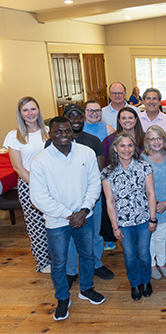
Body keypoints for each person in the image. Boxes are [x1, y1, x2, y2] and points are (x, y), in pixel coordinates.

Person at [30, 117, 105, 321]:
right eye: (58, 132)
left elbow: (94, 184)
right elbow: (38, 197)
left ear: (72, 132)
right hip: (56, 221)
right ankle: (63, 297)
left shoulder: (86, 153)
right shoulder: (40, 161)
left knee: (87, 255)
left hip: (84, 216)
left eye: (67, 131)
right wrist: (68, 214)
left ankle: (86, 288)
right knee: (59, 262)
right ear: (50, 134)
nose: (63, 135)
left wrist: (84, 210)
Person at [46, 104, 114, 285]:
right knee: (68, 238)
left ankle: (95, 264)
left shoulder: (92, 141)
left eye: (79, 116)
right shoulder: (51, 144)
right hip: (64, 200)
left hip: (91, 198)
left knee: (95, 234)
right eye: (71, 116)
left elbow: (99, 172)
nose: (76, 120)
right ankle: (71, 271)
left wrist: (86, 203)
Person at [101, 133, 157, 301]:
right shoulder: (107, 173)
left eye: (130, 145)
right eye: (122, 146)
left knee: (144, 254)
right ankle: (135, 284)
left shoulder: (144, 167)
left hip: (143, 219)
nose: (126, 149)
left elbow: (151, 193)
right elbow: (109, 202)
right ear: (116, 149)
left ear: (135, 148)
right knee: (130, 255)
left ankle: (146, 281)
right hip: (123, 222)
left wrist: (153, 218)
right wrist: (114, 226)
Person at [3, 96, 50, 273]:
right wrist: (38, 185)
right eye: (26, 110)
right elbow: (17, 166)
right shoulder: (14, 137)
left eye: (33, 109)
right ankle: (43, 262)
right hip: (28, 184)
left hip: (51, 184)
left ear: (38, 111)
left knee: (51, 223)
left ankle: (56, 257)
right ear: (20, 114)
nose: (30, 113)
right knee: (35, 224)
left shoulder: (48, 131)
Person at [101, 107, 146, 251]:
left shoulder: (145, 138)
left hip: (142, 191)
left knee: (143, 240)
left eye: (130, 117)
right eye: (124, 118)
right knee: (127, 242)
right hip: (118, 192)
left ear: (136, 120)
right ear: (119, 121)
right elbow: (106, 165)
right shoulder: (109, 140)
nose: (127, 121)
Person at [142, 126, 166, 281]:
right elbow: (140, 184)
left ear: (164, 140)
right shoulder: (142, 159)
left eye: (159, 138)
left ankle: (162, 263)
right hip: (149, 205)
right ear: (147, 142)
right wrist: (154, 203)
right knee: (150, 237)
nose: (156, 142)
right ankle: (152, 265)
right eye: (152, 139)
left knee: (162, 235)